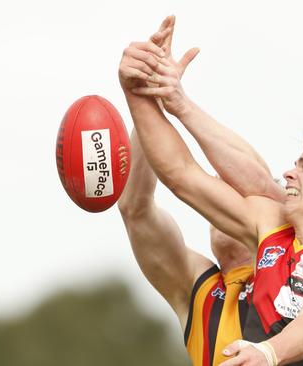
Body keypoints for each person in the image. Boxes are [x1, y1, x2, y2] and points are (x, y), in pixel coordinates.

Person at [119, 15, 303, 366]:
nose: (289, 174)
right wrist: (141, 91)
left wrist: (268, 352)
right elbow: (182, 175)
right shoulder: (271, 231)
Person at [117, 16, 284, 366]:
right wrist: (151, 98)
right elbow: (136, 209)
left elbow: (256, 179)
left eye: (233, 187)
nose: (219, 188)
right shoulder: (200, 291)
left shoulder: (297, 262)